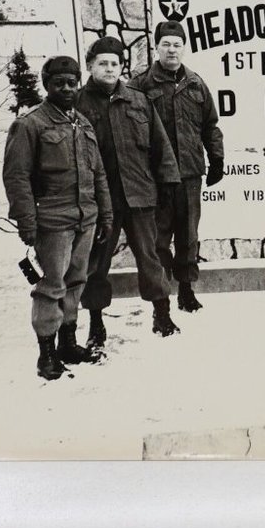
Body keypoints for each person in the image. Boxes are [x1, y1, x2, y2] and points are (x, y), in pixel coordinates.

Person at [2, 55, 113, 381]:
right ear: (46, 85)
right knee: (51, 286)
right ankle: (46, 353)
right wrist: (27, 221)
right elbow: (17, 177)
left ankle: (68, 343)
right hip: (53, 222)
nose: (66, 88)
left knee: (76, 282)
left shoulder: (82, 123)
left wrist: (105, 214)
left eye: (72, 82)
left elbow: (99, 174)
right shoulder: (30, 125)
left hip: (85, 219)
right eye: (58, 83)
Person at [75, 36, 183, 343]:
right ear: (90, 66)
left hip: (140, 195)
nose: (110, 69)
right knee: (97, 264)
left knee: (151, 257)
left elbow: (160, 147)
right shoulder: (78, 105)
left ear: (122, 67)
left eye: (115, 63)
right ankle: (97, 324)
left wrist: (168, 184)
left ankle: (162, 314)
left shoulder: (138, 100)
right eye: (103, 64)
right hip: (100, 202)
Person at [130, 21, 224, 313]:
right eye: (166, 44)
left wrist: (217, 158)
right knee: (157, 241)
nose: (172, 49)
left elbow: (210, 125)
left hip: (190, 175)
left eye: (177, 44)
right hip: (156, 178)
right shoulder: (141, 85)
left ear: (184, 47)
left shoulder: (196, 83)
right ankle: (161, 300)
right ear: (156, 48)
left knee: (188, 237)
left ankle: (186, 290)